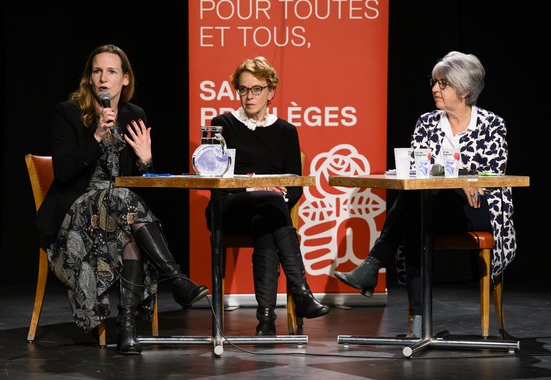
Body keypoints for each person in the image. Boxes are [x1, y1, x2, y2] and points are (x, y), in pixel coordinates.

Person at [35, 44, 208, 355]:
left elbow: (142, 186)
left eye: (111, 71)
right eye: (97, 71)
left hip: (120, 212)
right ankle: (176, 278)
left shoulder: (133, 115)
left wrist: (146, 161)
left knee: (128, 219)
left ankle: (126, 327)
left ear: (125, 79)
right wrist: (97, 137)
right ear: (89, 79)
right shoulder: (69, 112)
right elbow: (62, 173)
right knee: (127, 208)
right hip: (77, 212)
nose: (104, 78)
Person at [334, 51, 516, 338]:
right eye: (434, 82)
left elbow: (492, 172)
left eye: (443, 84)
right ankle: (419, 326)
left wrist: (463, 181)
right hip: (435, 203)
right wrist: (459, 180)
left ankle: (374, 264)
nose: (434, 89)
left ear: (465, 90)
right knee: (417, 211)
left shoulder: (492, 124)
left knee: (417, 205)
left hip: (482, 207)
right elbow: (420, 168)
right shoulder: (426, 122)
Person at [205, 56, 330, 335]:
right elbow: (212, 177)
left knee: (268, 221)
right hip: (229, 208)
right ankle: (302, 293)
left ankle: (266, 321)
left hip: (267, 213)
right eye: (243, 89)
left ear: (271, 91)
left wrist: (273, 198)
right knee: (272, 205)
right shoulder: (221, 124)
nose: (249, 96)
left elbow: (295, 186)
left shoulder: (286, 131)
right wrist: (257, 189)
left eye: (256, 89)